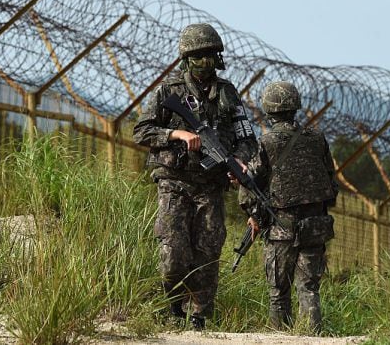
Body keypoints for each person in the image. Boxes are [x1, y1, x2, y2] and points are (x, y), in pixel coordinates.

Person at [133, 23, 257, 329]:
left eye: (209, 55)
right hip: (174, 182)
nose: (204, 62)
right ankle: (173, 309)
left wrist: (238, 163)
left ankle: (199, 318)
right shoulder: (169, 91)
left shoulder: (227, 94)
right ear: (186, 58)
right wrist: (176, 133)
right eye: (198, 56)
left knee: (208, 252)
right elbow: (141, 131)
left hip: (210, 186)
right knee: (174, 252)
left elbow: (247, 139)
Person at [236, 81, 338, 333]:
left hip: (282, 226)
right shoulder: (317, 138)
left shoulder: (268, 142)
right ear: (295, 106)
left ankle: (279, 336)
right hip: (315, 224)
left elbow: (252, 184)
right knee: (309, 288)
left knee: (278, 290)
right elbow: (330, 180)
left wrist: (252, 214)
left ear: (268, 110)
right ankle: (311, 337)